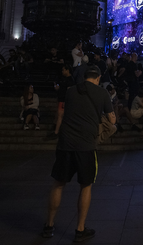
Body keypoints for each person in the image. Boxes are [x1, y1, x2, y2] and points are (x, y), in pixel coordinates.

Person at [43, 65, 115, 242]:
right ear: (98, 78)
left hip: (65, 143)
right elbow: (112, 119)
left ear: (84, 77)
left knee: (58, 184)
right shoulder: (102, 93)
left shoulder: (70, 91)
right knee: (86, 185)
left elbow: (62, 110)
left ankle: (49, 226)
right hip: (86, 145)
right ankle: (80, 229)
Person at [49, 65, 76, 140]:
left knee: (60, 115)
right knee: (58, 115)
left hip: (63, 100)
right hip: (61, 98)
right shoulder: (63, 79)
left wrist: (65, 100)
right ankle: (56, 128)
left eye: (63, 70)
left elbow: (69, 92)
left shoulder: (70, 80)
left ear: (68, 70)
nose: (62, 71)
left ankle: (56, 131)